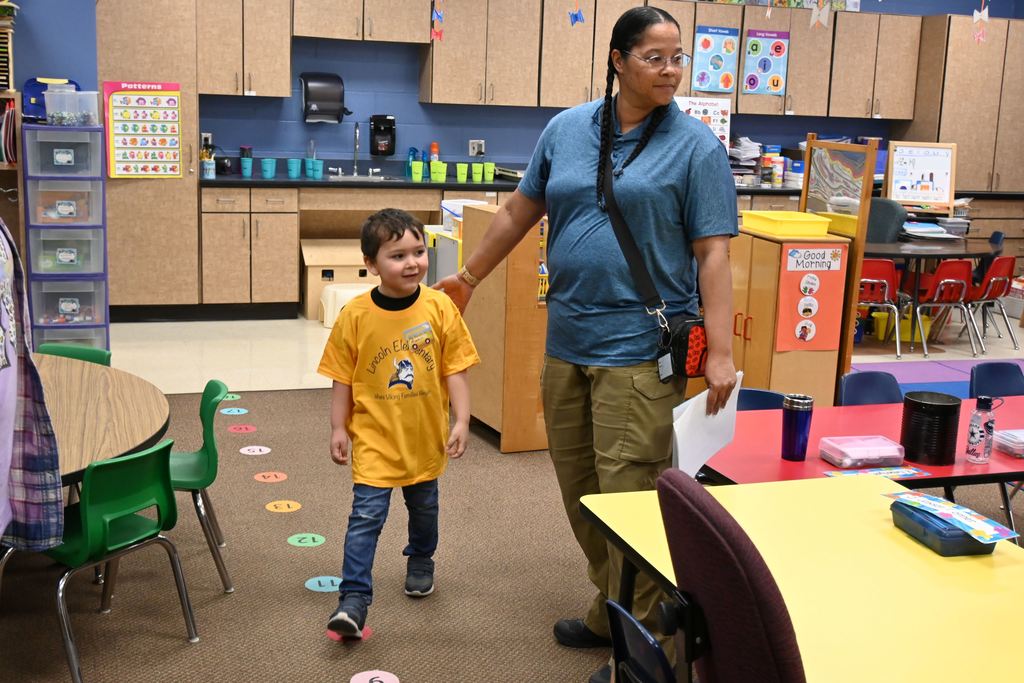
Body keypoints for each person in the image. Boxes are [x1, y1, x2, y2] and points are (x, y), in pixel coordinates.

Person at [434, 7, 737, 682]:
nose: (670, 69)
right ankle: (612, 604)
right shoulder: (566, 130)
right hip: (567, 338)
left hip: (641, 344)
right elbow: (520, 208)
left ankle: (652, 639)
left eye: (677, 57)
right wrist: (469, 275)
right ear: (618, 59)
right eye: (655, 57)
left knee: (629, 491)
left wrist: (719, 349)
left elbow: (712, 254)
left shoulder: (695, 147)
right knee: (581, 488)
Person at [318, 208, 480, 638]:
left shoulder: (440, 307)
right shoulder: (354, 315)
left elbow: (455, 369)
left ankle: (422, 557)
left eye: (418, 251)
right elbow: (341, 377)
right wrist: (338, 427)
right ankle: (353, 599)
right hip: (374, 439)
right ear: (371, 264)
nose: (412, 263)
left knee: (424, 509)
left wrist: (462, 419)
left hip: (425, 439)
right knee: (365, 517)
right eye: (397, 255)